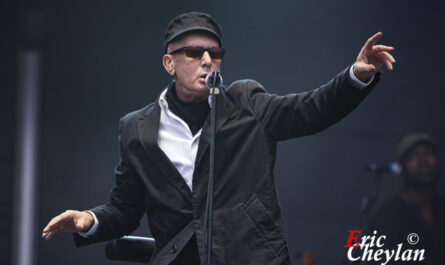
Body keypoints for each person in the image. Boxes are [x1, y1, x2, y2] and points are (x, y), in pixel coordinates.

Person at [42, 12, 396, 265]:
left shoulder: (246, 102)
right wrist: (88, 220)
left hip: (253, 255)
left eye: (215, 53)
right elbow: (125, 209)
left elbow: (309, 109)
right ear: (170, 63)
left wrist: (354, 77)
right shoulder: (137, 128)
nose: (208, 60)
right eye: (195, 53)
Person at [367, 133, 445, 264]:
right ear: (401, 168)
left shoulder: (441, 208)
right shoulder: (388, 216)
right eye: (413, 156)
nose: (422, 161)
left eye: (427, 154)